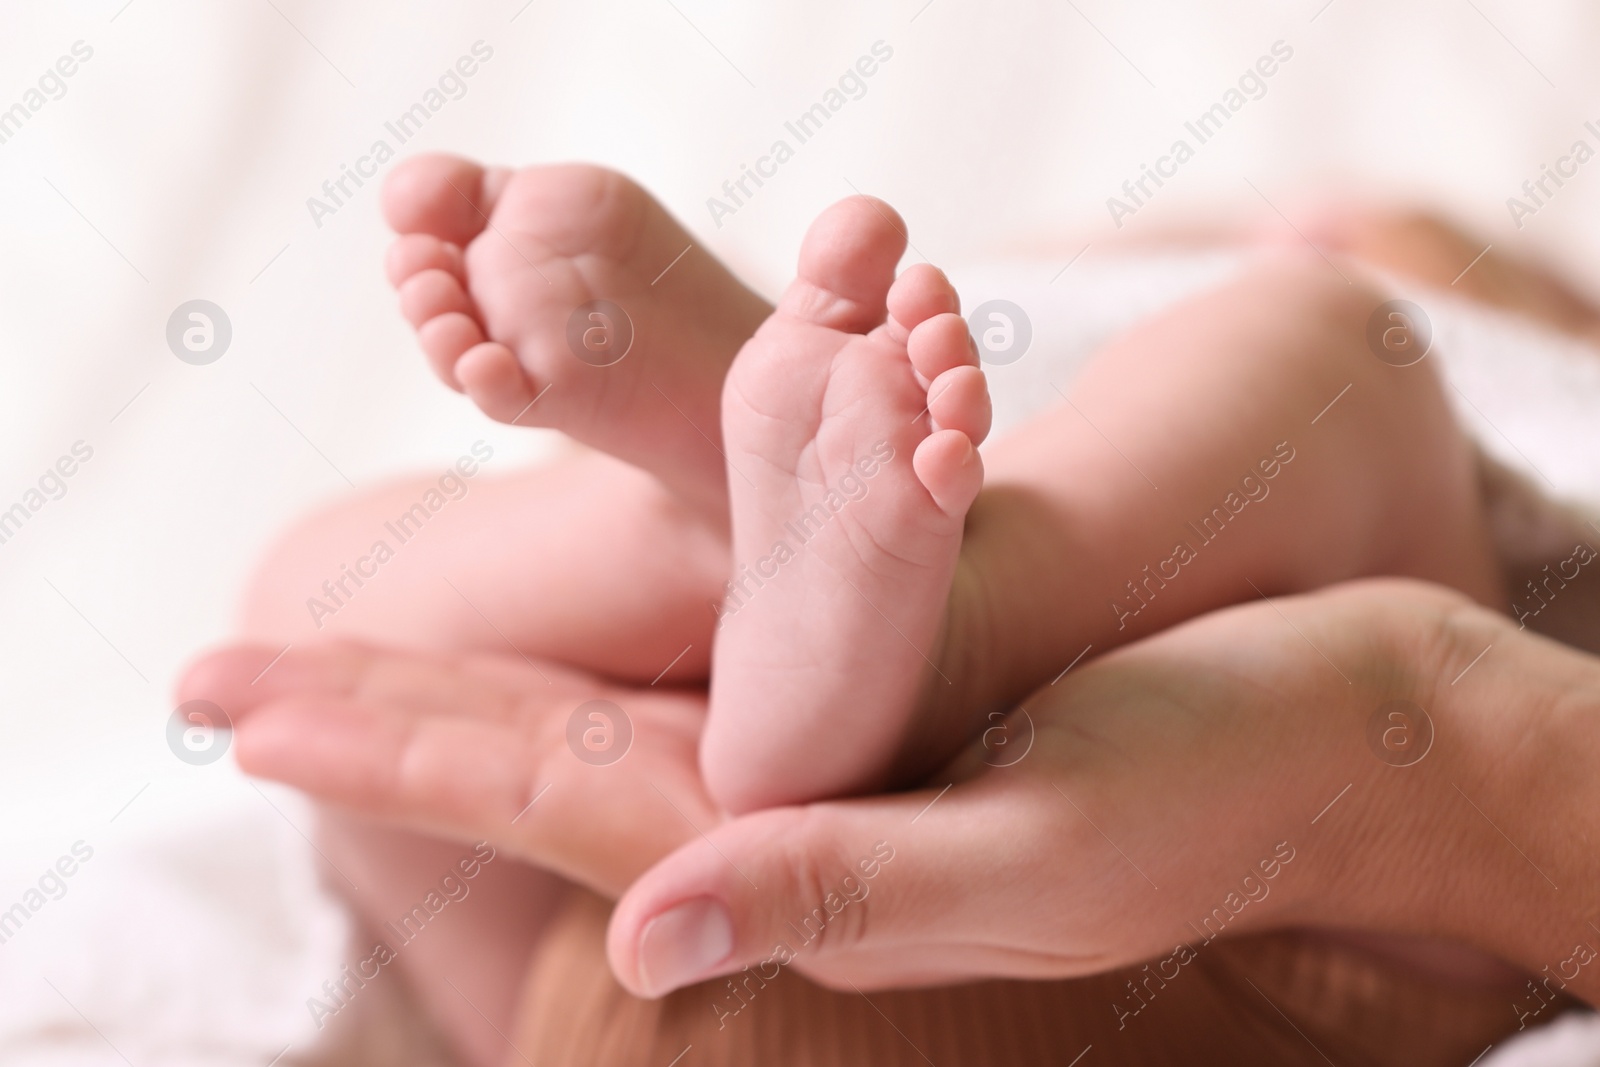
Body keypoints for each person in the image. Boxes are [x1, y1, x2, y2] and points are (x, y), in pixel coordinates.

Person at [179, 155, 1600, 1064]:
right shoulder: (1024, 331)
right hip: (1239, 999)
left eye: (1386, 228)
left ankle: (892, 590)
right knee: (322, 617)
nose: (1302, 221)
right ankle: (752, 551)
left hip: (630, 995)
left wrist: (1355, 279)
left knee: (1330, 340)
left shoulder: (1530, 438)